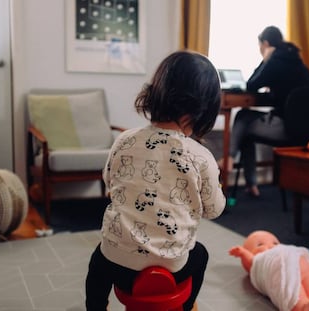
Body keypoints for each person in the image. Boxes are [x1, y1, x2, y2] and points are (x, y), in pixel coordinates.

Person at [85, 50, 227, 311]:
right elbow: (213, 209)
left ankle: (95, 307)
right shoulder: (201, 157)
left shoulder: (124, 140)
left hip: (118, 266)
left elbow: (109, 182)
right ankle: (184, 306)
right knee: (201, 255)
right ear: (205, 109)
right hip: (172, 268)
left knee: (99, 259)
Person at [221, 26, 309, 197]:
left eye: (260, 47)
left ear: (265, 44)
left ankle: (230, 158)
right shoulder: (296, 60)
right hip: (307, 131)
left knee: (243, 116)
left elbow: (251, 85)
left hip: (287, 130)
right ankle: (251, 185)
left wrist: (265, 60)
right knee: (246, 132)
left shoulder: (276, 60)